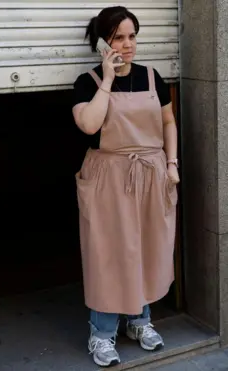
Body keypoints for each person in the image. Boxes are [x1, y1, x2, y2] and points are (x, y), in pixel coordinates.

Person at [71, 6, 179, 367]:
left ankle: (139, 321)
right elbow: (88, 124)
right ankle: (101, 334)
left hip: (150, 173)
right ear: (103, 42)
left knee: (146, 247)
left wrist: (172, 164)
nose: (128, 44)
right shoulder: (87, 82)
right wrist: (106, 77)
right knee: (110, 252)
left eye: (132, 35)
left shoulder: (152, 77)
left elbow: (168, 122)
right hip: (108, 177)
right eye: (118, 37)